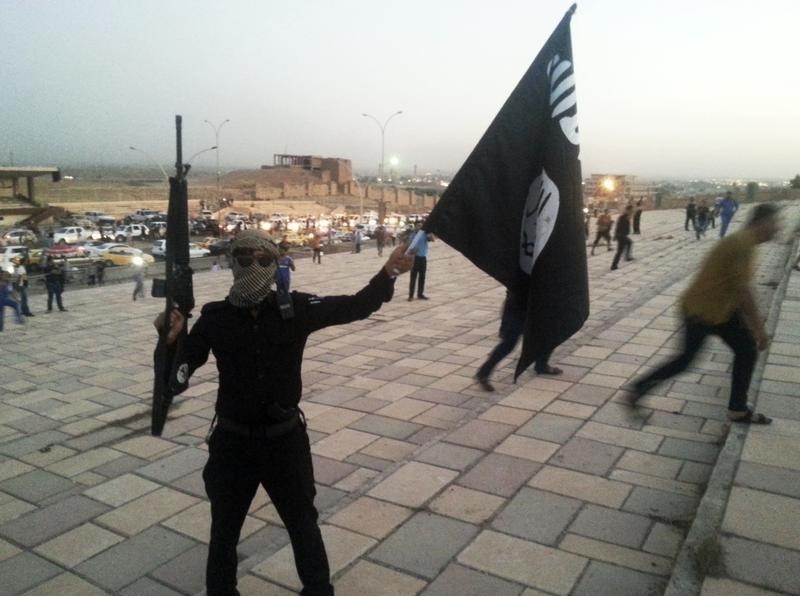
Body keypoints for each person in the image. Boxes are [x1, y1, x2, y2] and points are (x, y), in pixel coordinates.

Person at [154, 230, 413, 596]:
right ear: (232, 263)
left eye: (263, 260)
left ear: (275, 265)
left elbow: (356, 306)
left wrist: (388, 273)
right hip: (233, 444)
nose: (253, 267)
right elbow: (177, 379)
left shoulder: (297, 310)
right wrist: (169, 342)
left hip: (284, 441)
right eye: (244, 259)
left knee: (303, 525)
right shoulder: (215, 319)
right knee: (224, 532)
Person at [629, 203, 780, 424]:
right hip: (701, 311)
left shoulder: (744, 242)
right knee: (687, 360)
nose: (779, 229)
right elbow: (744, 292)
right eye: (776, 223)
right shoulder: (742, 244)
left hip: (718, 310)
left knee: (745, 350)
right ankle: (638, 388)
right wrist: (759, 330)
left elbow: (737, 288)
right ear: (763, 223)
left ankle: (738, 408)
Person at [474, 290, 562, 391]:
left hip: (535, 306)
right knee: (509, 343)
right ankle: (484, 372)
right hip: (518, 307)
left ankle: (541, 365)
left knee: (547, 335)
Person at [408, 221, 431, 300]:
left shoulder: (424, 234)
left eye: (421, 226)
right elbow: (409, 246)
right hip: (415, 258)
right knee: (413, 277)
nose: (420, 227)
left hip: (423, 258)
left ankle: (420, 294)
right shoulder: (412, 235)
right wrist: (413, 250)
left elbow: (431, 239)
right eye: (418, 225)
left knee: (422, 276)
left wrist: (429, 232)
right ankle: (411, 295)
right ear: (415, 226)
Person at [610, 205, 634, 270]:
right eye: (631, 210)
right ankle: (613, 265)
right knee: (619, 251)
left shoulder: (625, 216)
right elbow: (618, 226)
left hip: (622, 235)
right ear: (628, 210)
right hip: (621, 236)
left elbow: (618, 226)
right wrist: (616, 235)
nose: (632, 211)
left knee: (629, 242)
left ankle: (627, 257)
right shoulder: (624, 217)